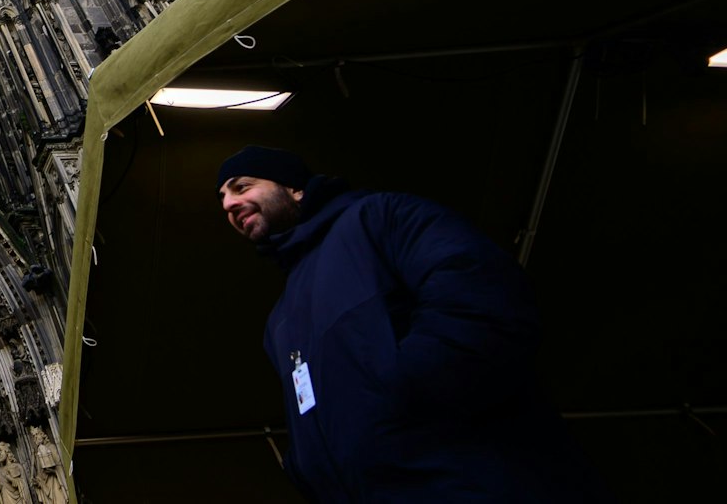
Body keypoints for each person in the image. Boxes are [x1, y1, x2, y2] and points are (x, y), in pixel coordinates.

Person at [216, 145, 611, 502]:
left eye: (242, 186)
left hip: (472, 478)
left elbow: (481, 296)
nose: (229, 204)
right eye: (223, 198)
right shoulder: (282, 317)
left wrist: (405, 394)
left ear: (295, 188)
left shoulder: (380, 218)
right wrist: (308, 467)